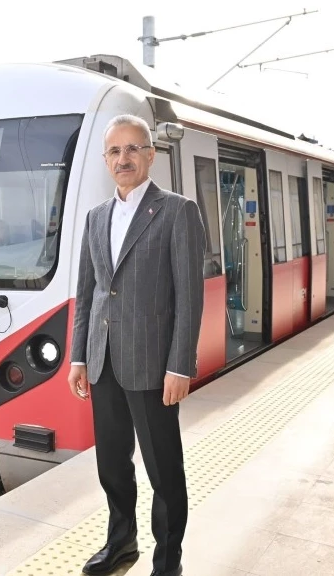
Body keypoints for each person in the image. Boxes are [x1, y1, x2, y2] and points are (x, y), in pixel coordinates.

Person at [69, 114, 205, 576]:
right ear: (106, 160)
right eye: (114, 151)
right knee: (112, 465)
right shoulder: (95, 218)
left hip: (153, 365)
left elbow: (189, 294)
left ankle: (168, 563)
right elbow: (87, 293)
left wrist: (180, 365)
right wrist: (79, 356)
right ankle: (121, 543)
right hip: (104, 361)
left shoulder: (177, 211)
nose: (123, 158)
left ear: (150, 154)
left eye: (132, 149)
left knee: (163, 471)